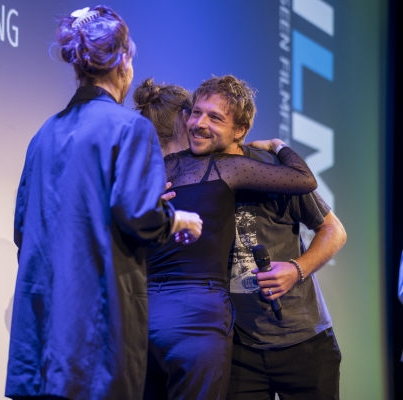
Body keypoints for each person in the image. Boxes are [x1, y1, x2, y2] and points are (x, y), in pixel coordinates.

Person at [5, 7, 203, 400]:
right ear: (123, 61)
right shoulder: (130, 128)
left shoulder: (44, 134)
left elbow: (22, 229)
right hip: (97, 333)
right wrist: (178, 220)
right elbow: (139, 213)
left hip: (44, 336)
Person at [134, 78, 319, 399]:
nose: (200, 124)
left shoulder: (144, 177)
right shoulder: (225, 167)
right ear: (183, 120)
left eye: (213, 117)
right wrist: (279, 146)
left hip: (142, 313)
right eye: (195, 114)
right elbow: (305, 179)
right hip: (198, 314)